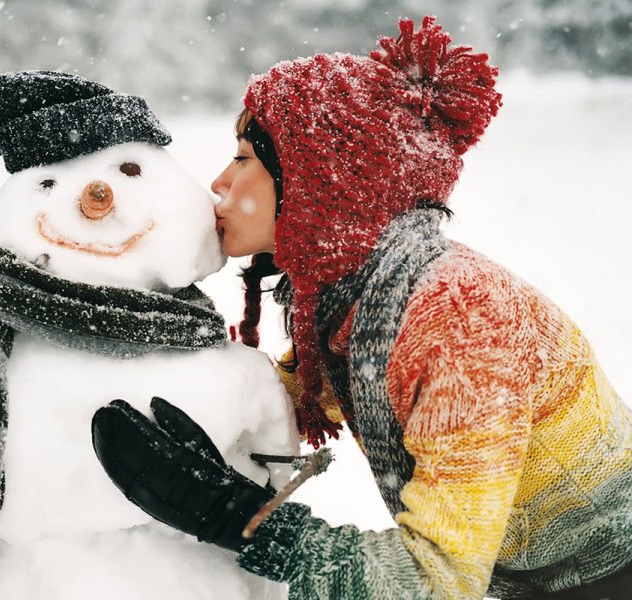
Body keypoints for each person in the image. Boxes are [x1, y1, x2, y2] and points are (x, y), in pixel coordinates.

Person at [91, 16, 632, 600]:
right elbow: (290, 396)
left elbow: (433, 582)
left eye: (246, 157)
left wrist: (238, 519)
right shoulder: (356, 301)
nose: (219, 183)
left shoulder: (458, 321)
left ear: (317, 180)